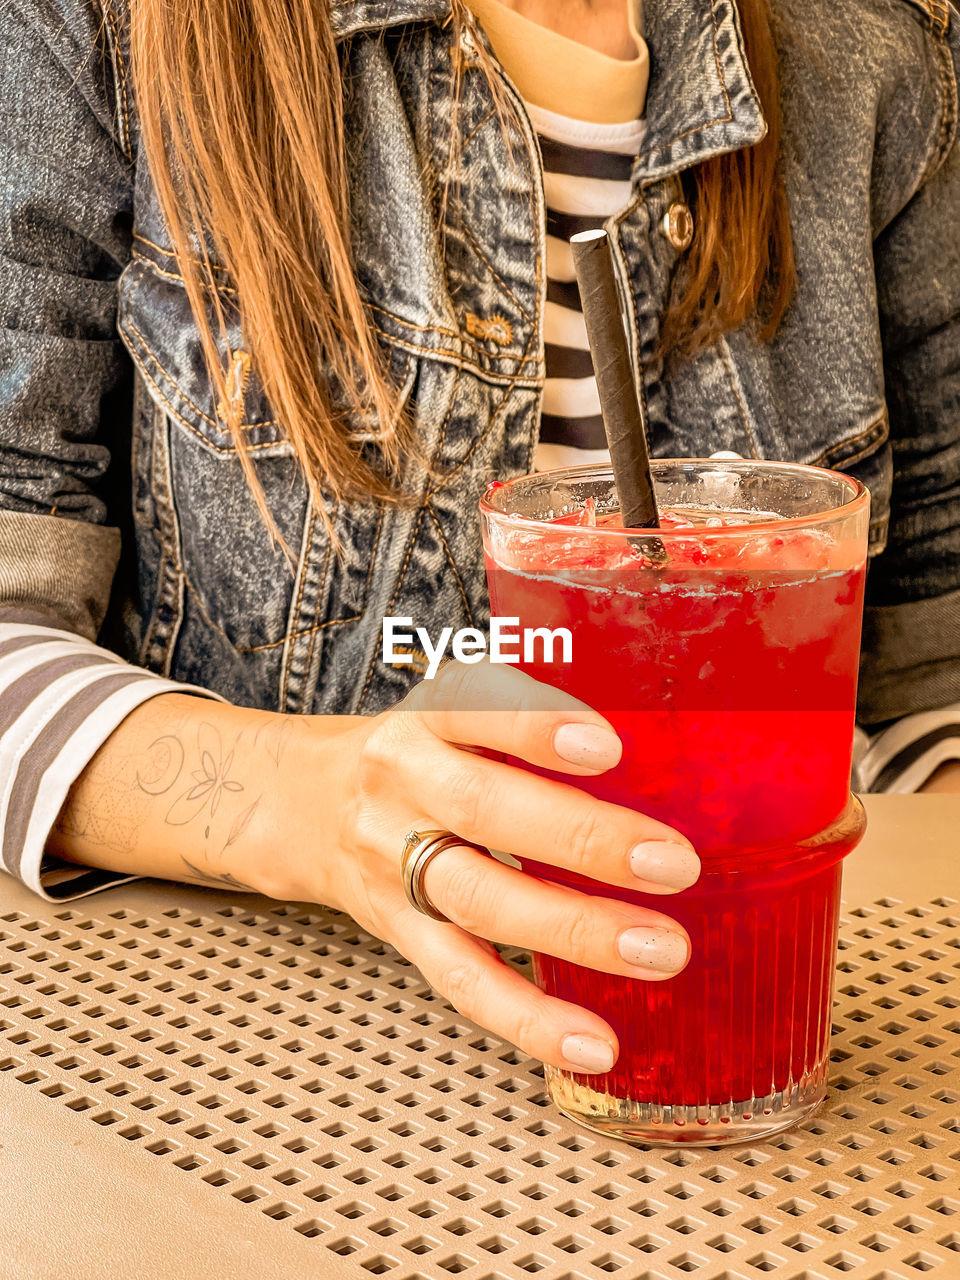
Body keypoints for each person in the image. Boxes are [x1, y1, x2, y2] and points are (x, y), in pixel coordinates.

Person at [1, 0, 958, 1079]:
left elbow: (925, 690)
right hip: (236, 1059)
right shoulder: (89, 26)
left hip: (747, 1044)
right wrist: (317, 803)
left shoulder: (882, 55)